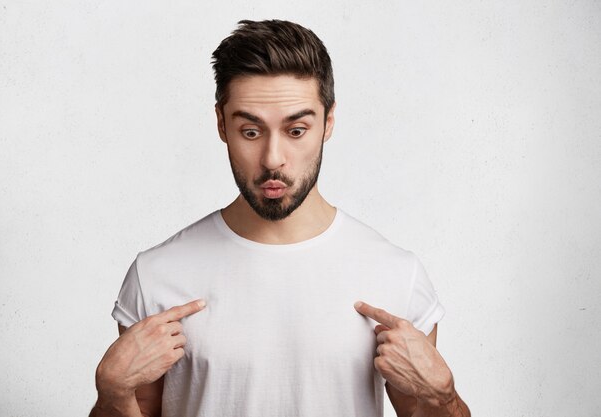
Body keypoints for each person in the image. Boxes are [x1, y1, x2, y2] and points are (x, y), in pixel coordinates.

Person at [89, 19, 471, 417]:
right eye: (251, 131)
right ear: (222, 123)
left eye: (297, 130)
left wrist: (444, 397)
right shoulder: (157, 274)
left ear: (329, 122)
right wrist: (113, 393)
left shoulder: (396, 274)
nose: (273, 159)